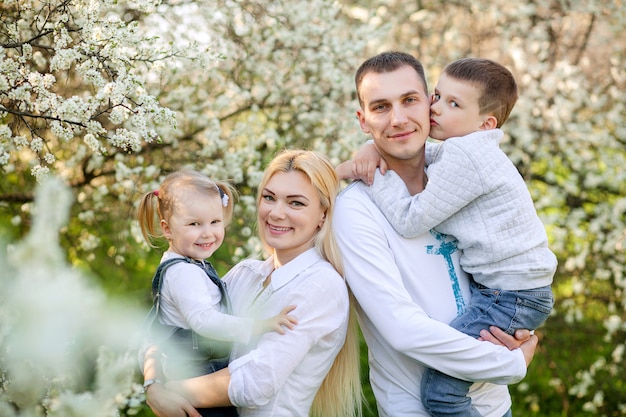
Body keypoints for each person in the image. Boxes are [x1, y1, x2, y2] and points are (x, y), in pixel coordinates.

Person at [340, 57, 556, 416]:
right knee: (440, 395)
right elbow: (402, 330)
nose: (398, 119)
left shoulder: (455, 168)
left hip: (494, 406)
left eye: (410, 100)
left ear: (427, 105)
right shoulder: (355, 210)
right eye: (381, 107)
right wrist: (511, 363)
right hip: (416, 410)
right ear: (363, 120)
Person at [142, 151, 362, 417]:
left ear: (323, 216)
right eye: (269, 198)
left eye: (296, 203)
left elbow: (257, 382)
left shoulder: (320, 284)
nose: (276, 213)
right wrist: (153, 385)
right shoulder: (245, 274)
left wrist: (171, 390)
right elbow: (169, 326)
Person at [138, 168, 298, 417]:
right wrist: (258, 325)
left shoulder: (187, 265)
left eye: (215, 222)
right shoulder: (183, 273)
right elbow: (204, 321)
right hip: (198, 373)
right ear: (167, 229)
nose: (207, 233)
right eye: (194, 224)